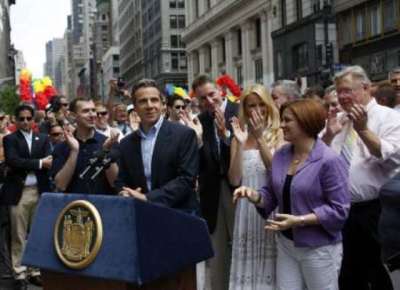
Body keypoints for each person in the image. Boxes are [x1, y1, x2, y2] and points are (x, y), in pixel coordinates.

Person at [234, 99, 350, 290]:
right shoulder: (281, 155)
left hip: (318, 248)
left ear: (305, 122)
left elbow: (339, 210)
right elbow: (272, 193)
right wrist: (255, 196)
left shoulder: (329, 160)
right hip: (286, 245)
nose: (281, 125)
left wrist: (300, 220)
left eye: (287, 120)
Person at [322, 65, 400, 290]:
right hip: (342, 210)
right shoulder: (339, 120)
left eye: (347, 90)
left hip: (376, 211)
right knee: (347, 275)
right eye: (339, 91)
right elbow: (319, 158)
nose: (342, 96)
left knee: (378, 273)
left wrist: (363, 130)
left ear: (366, 88)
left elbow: (386, 154)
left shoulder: (389, 117)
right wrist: (328, 136)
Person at [115, 79, 199, 214]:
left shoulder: (184, 135)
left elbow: (187, 179)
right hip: (142, 215)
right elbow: (121, 180)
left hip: (178, 215)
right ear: (135, 107)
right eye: (143, 101)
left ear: (162, 104)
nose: (149, 106)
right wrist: (124, 193)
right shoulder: (126, 144)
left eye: (154, 100)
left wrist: (148, 198)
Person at [228, 84, 282, 290]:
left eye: (261, 104)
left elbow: (276, 172)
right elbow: (234, 179)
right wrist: (241, 144)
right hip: (245, 208)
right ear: (245, 108)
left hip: (270, 205)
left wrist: (260, 139)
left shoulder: (279, 133)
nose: (257, 109)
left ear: (268, 106)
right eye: (252, 105)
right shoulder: (238, 136)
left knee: (273, 266)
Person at [193, 74, 239, 290]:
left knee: (243, 246)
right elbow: (201, 165)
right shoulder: (200, 121)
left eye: (211, 95)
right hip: (212, 193)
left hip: (239, 189)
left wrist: (226, 137)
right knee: (217, 252)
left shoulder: (239, 112)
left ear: (221, 91)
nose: (209, 101)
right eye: (203, 98)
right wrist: (200, 142)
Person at [2, 104, 53, 290]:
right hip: (19, 193)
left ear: (33, 120)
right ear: (15, 120)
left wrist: (30, 164)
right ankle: (19, 272)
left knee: (37, 233)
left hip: (39, 191)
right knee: (18, 234)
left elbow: (51, 161)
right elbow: (13, 161)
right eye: (21, 118)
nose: (25, 122)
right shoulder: (10, 139)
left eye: (28, 118)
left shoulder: (44, 138)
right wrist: (39, 163)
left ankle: (35, 271)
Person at [52, 98, 119, 195]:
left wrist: (105, 151)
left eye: (93, 110)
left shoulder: (109, 143)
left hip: (103, 205)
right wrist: (74, 151)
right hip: (73, 206)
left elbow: (115, 183)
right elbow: (60, 185)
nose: (92, 115)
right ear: (73, 115)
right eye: (86, 111)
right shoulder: (62, 147)